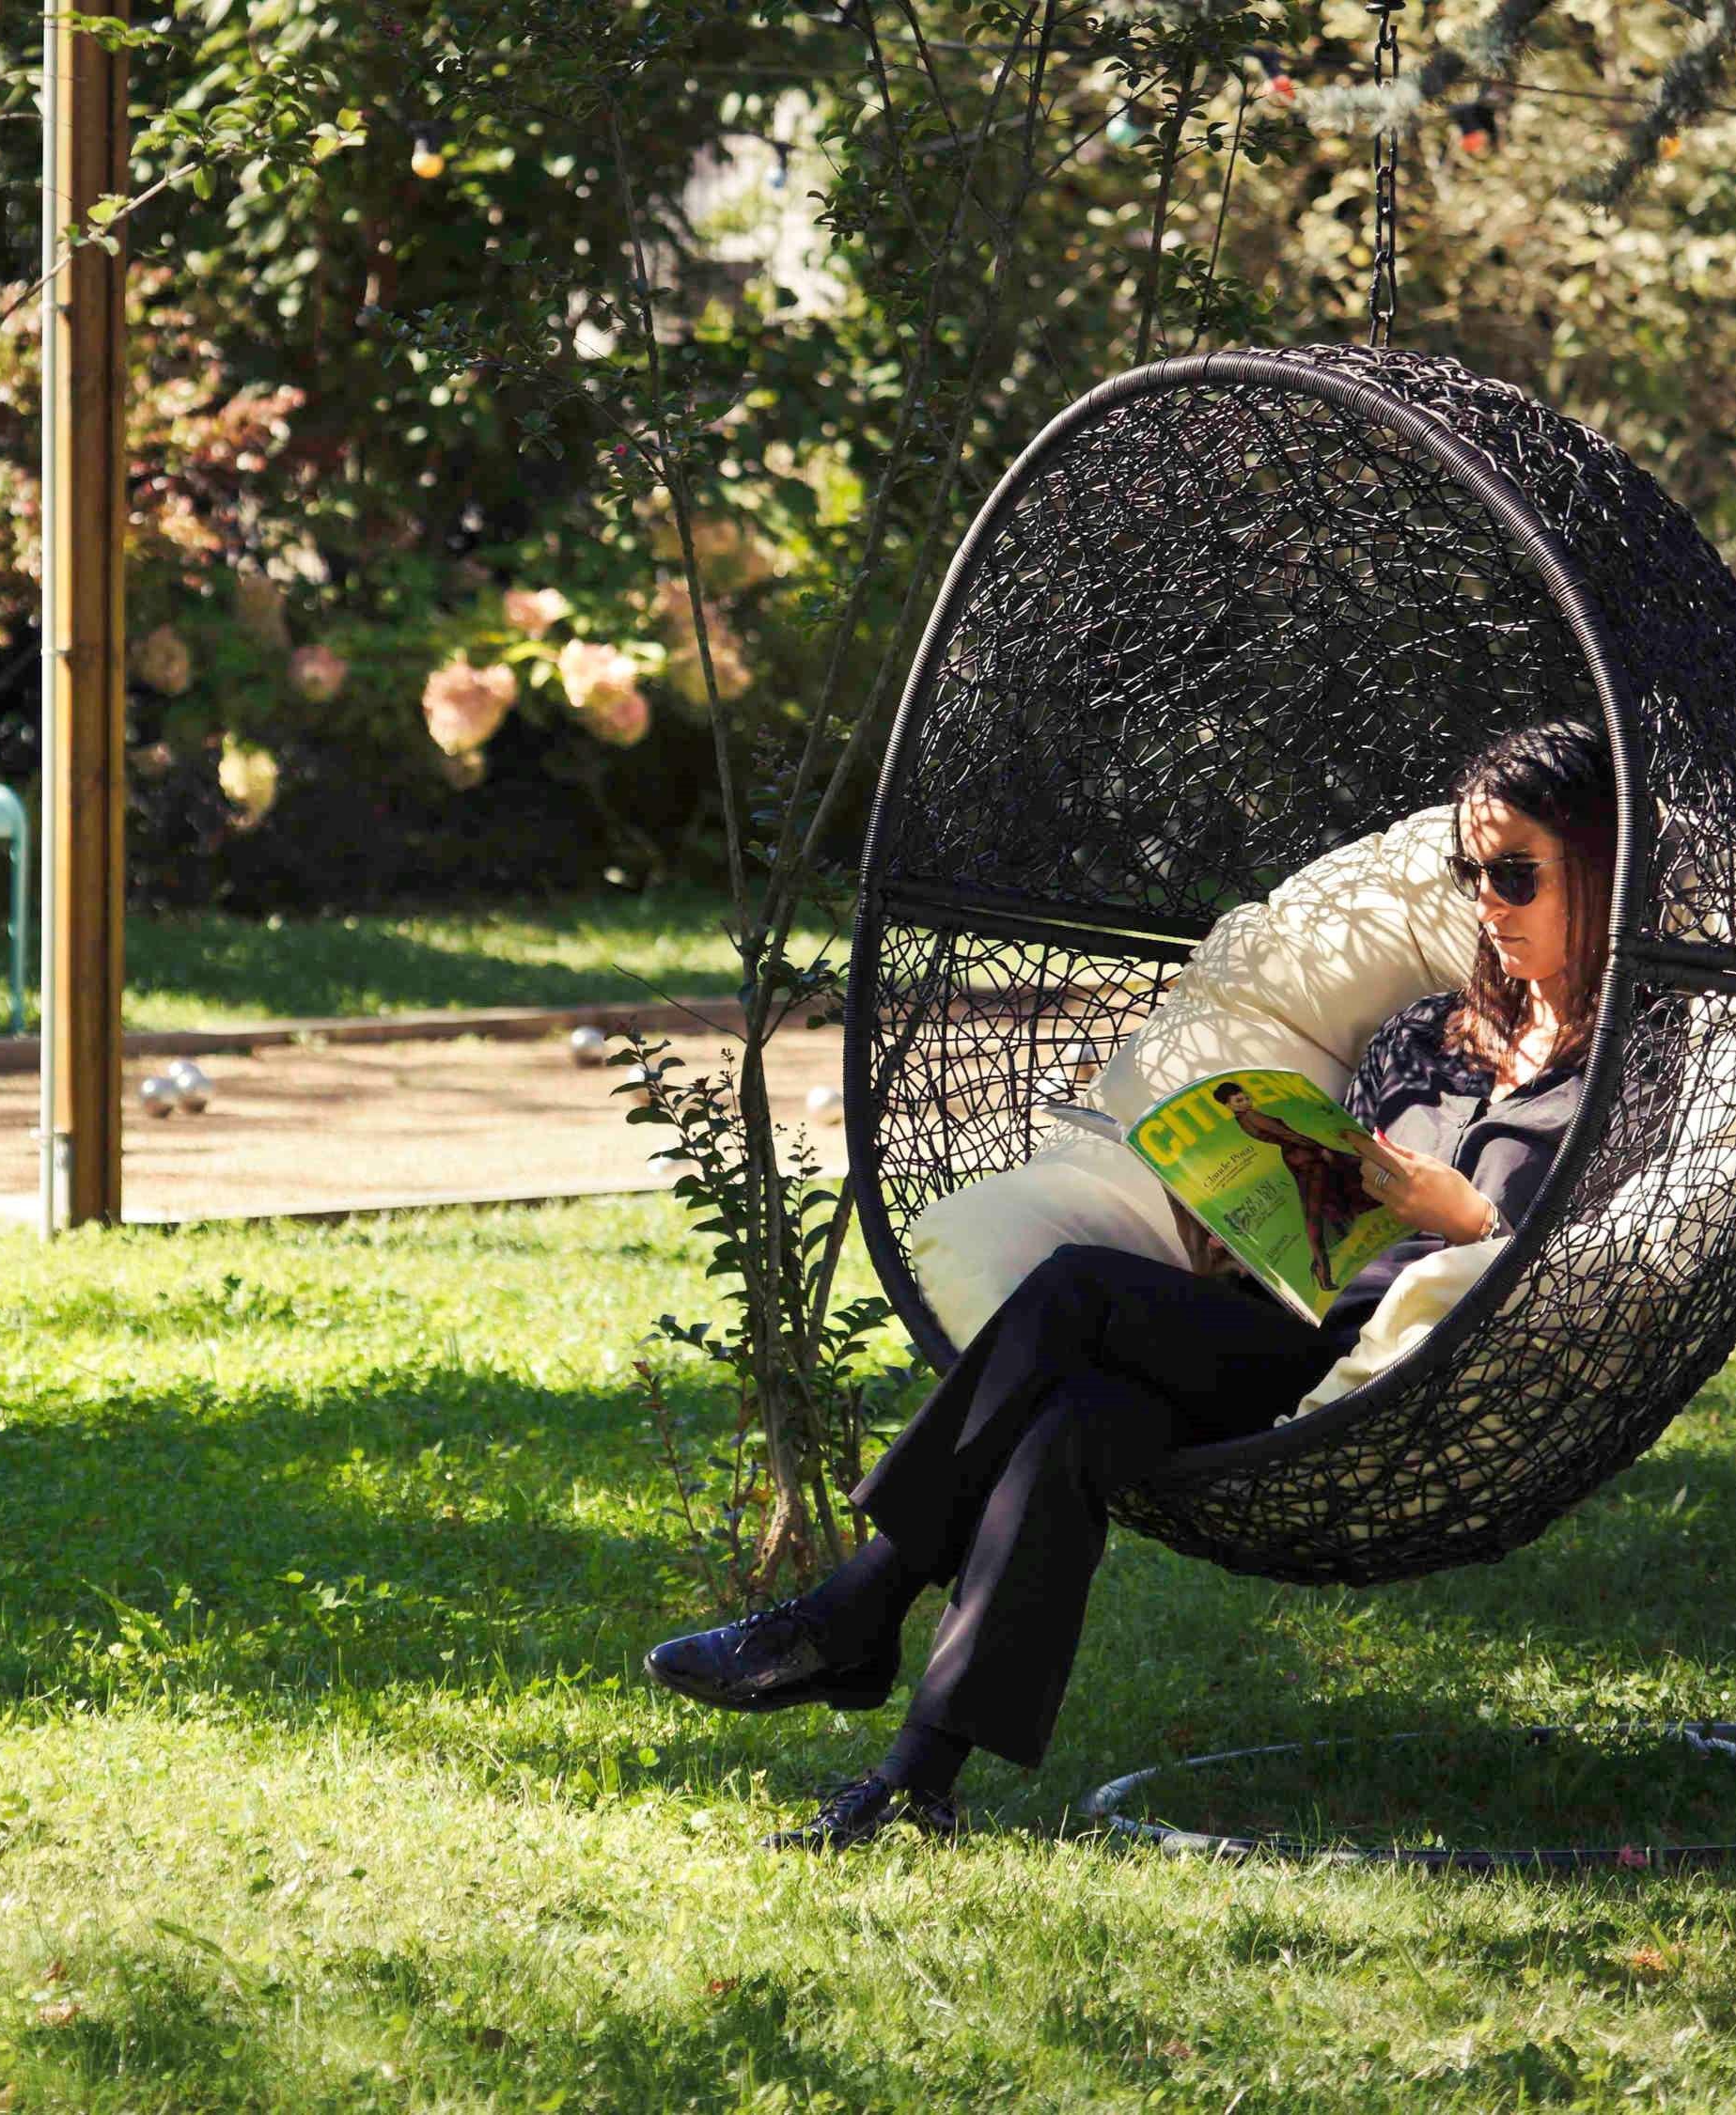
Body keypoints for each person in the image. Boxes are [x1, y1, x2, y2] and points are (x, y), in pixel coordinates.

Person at [643, 716, 1615, 1851]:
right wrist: (1238, 1227)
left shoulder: (1618, 1069)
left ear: (1596, 867)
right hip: (1284, 1326)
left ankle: (856, 1607)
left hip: (1407, 1372)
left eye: (1514, 874)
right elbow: (1336, 1202)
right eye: (1470, 873)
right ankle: (918, 1780)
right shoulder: (1420, 1036)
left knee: (1074, 1298)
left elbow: (1602, 1245)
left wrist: (1476, 1220)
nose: (1486, 902)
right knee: (1073, 1424)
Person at [1207, 1079, 1381, 1292]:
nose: (1246, 1101)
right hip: (1307, 1158)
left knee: (1318, 1208)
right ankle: (1322, 1269)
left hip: (1298, 1159)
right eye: (1239, 1100)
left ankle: (1322, 1268)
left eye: (1246, 1097)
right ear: (1229, 1105)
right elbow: (1288, 1135)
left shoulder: (1243, 1120)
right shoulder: (1252, 1116)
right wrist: (1318, 1149)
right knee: (1318, 1209)